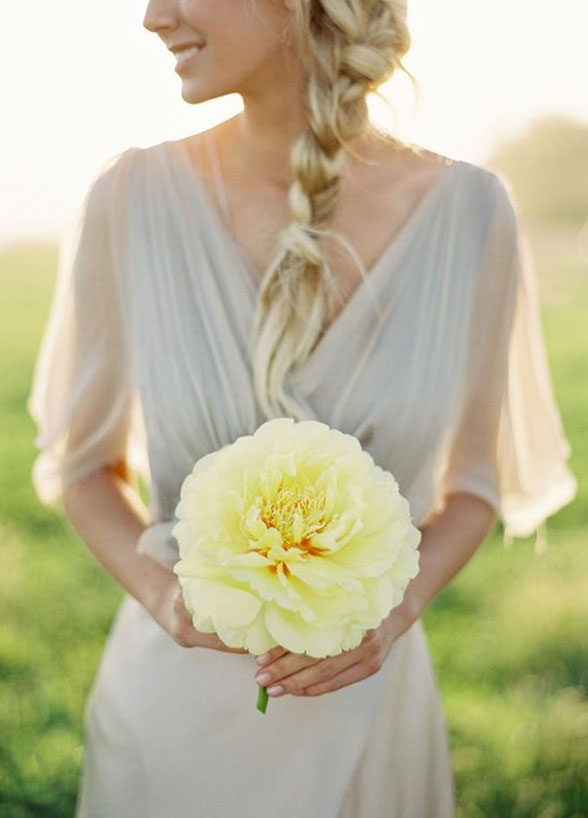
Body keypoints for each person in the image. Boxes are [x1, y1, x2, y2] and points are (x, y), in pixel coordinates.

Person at [27, 1, 578, 816]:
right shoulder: (131, 197)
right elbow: (82, 468)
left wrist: (392, 618)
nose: (152, 16)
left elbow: (473, 484)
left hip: (369, 705)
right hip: (173, 716)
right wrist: (166, 597)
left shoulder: (472, 213)